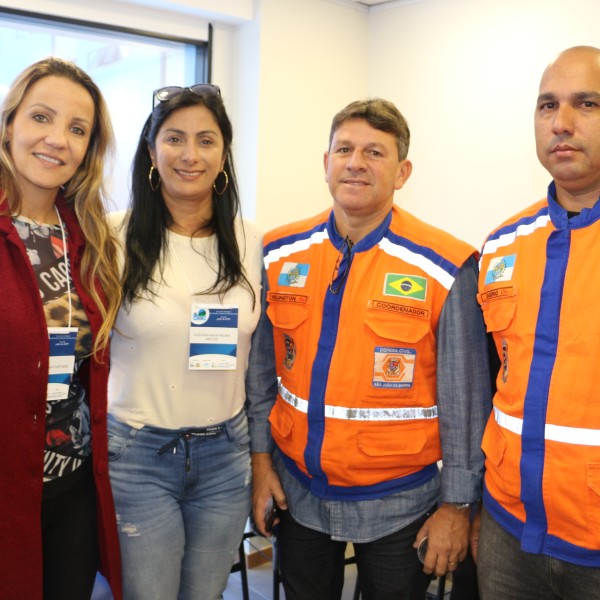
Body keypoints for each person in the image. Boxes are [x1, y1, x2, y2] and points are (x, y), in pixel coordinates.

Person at [252, 98, 491, 600]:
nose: (356, 162)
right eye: (345, 149)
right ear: (326, 163)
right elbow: (259, 378)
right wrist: (260, 465)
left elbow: (466, 404)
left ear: (402, 172)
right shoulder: (278, 252)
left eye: (375, 153)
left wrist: (457, 507)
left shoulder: (444, 266)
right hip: (298, 493)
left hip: (400, 506)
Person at [106, 83, 277, 600]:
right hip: (138, 455)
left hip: (224, 458)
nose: (189, 154)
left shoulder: (252, 242)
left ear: (223, 155)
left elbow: (256, 366)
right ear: (152, 152)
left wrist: (258, 459)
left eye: (206, 140)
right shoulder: (112, 236)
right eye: (175, 138)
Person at [474, 45, 600, 599]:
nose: (562, 123)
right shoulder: (501, 244)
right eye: (548, 106)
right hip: (509, 525)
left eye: (586, 104)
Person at [0, 57, 123, 600]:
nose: (57, 140)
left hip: (73, 485)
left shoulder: (88, 237)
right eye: (41, 118)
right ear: (10, 124)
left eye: (77, 129)